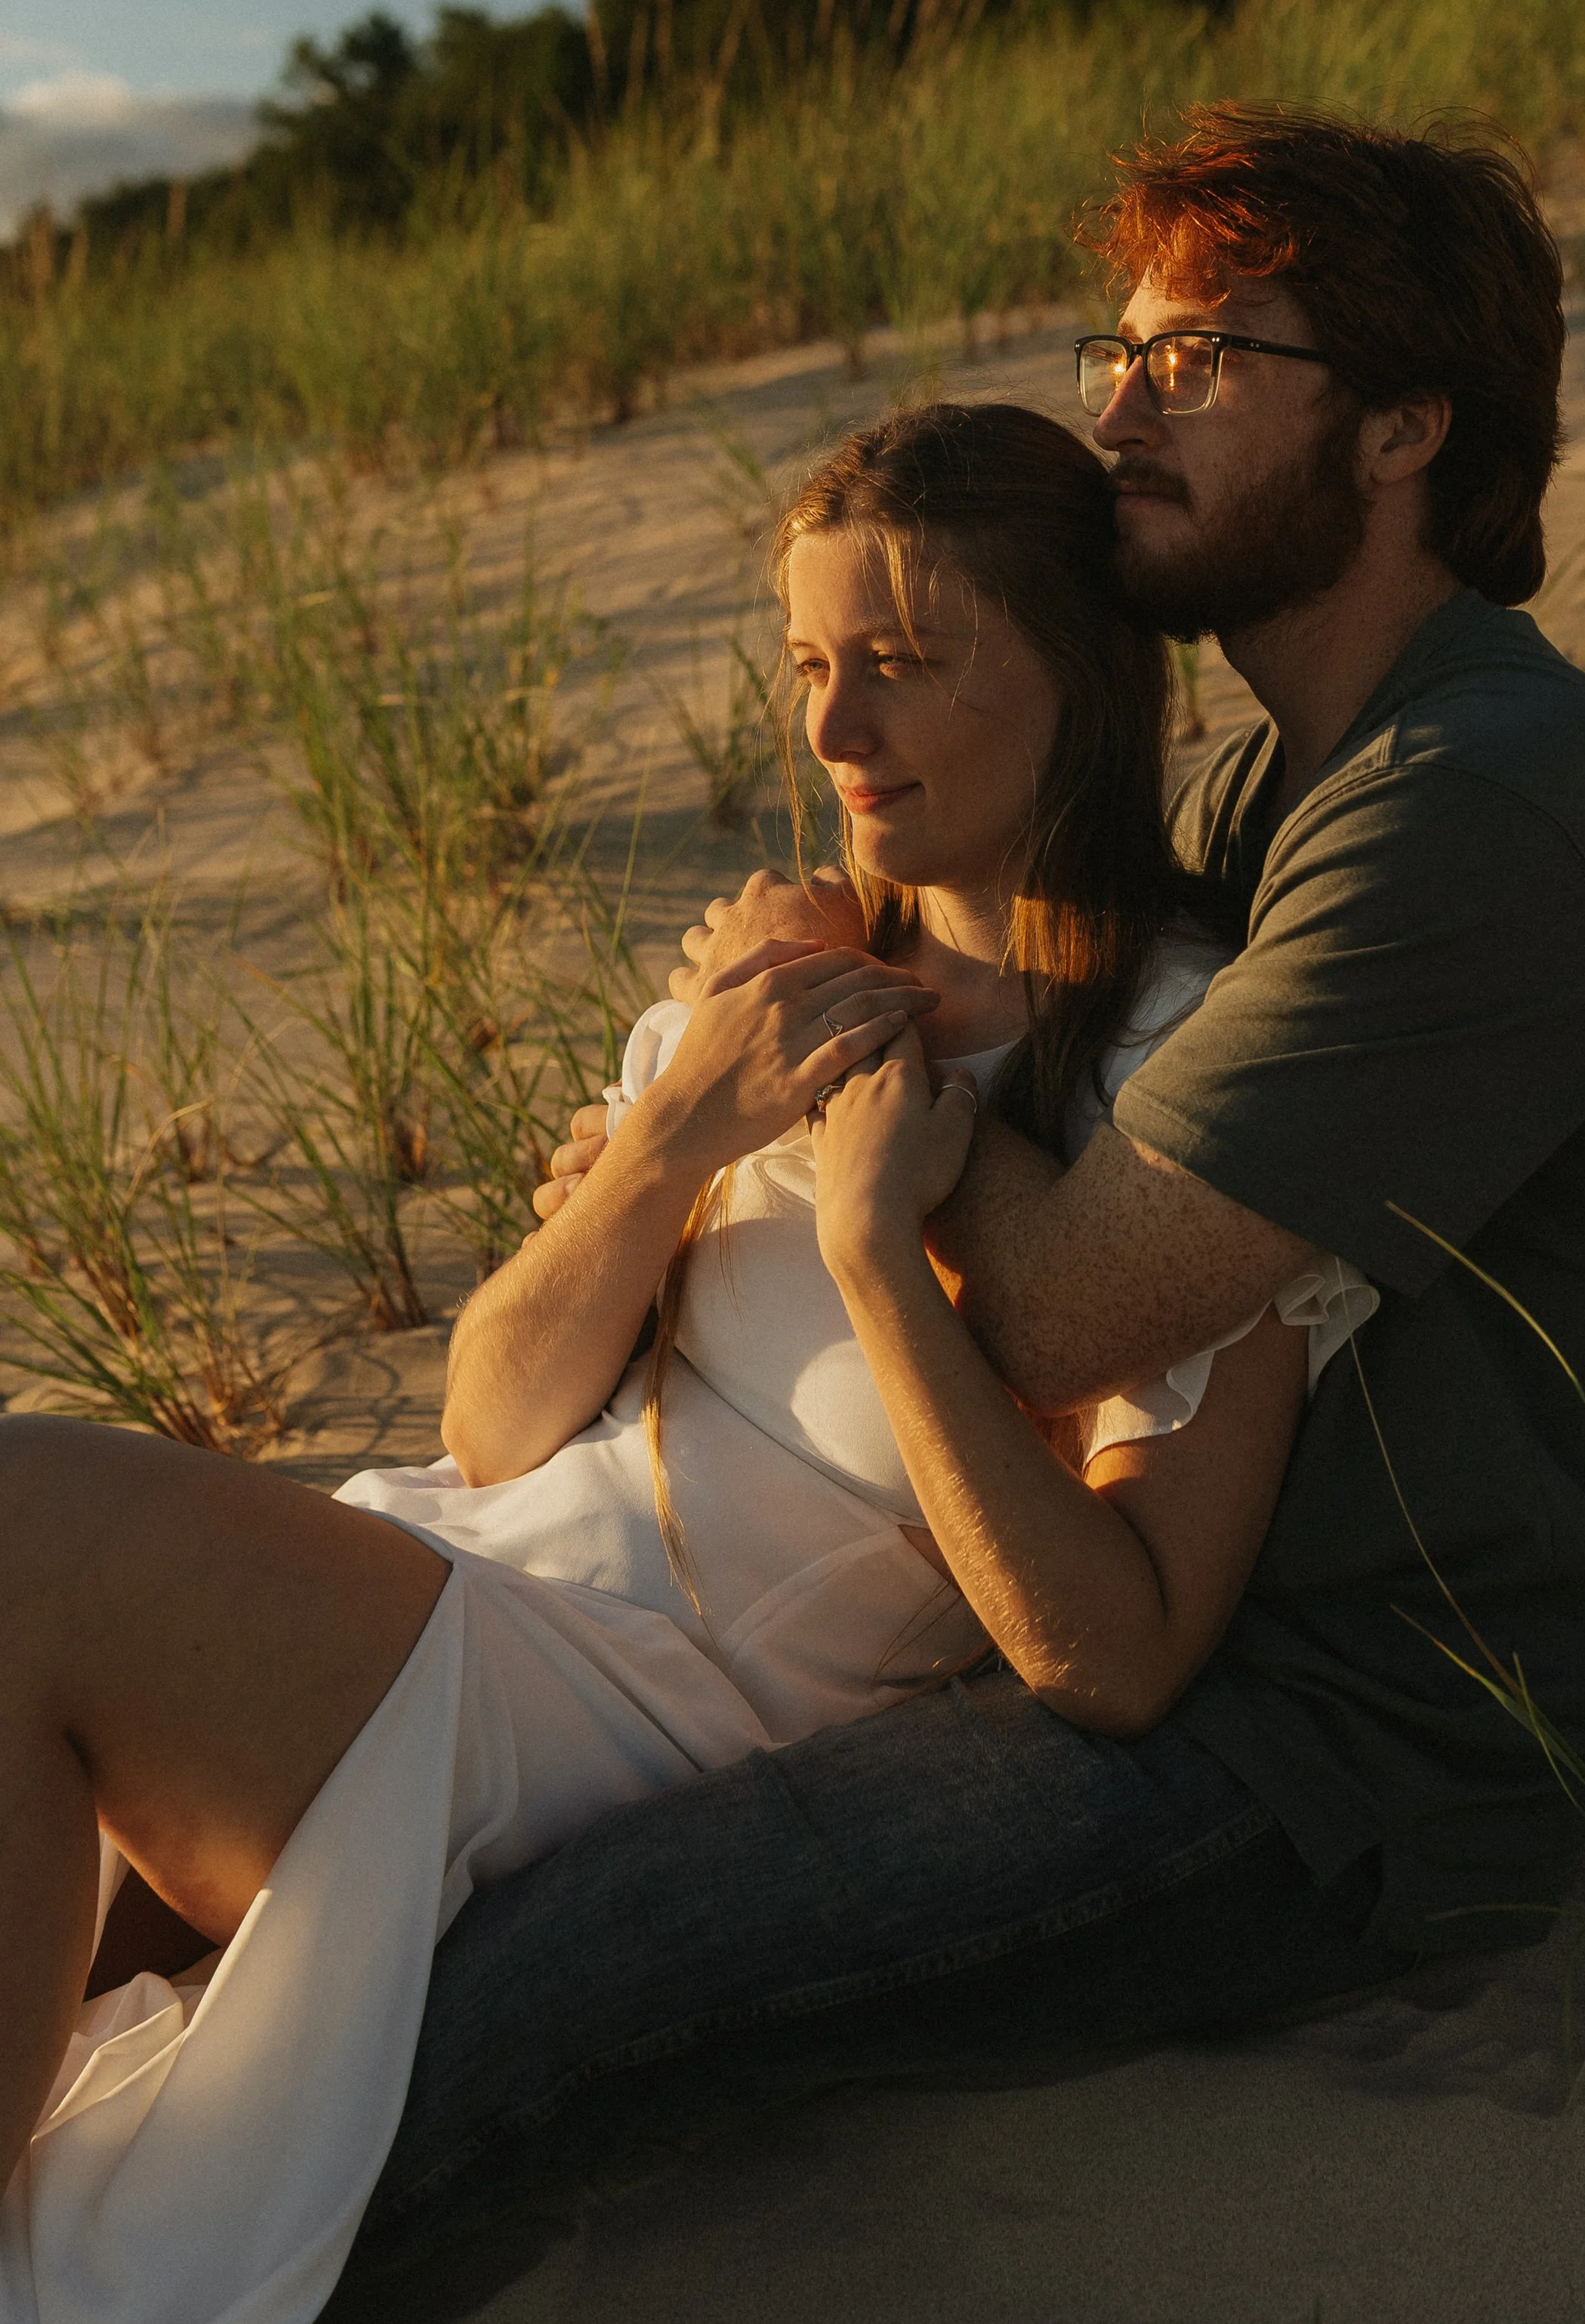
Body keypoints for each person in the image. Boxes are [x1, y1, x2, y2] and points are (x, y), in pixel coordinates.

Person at [328, 103, 1585, 2295]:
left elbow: (1076, 1296)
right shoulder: (1288, 773)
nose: (1117, 405)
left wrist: (813, 1034)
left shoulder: (1475, 807)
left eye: (1200, 358)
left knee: (545, 1992)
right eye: (1124, 345)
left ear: (1398, 426)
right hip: (1160, 1591)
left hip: (1356, 1739)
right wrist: (713, 1101)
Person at [1, 403, 1363, 2324]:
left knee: (26, 1522)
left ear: (1076, 672)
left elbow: (1120, 1655)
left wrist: (876, 1247)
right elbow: (490, 1420)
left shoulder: (1174, 1075)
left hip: (643, 1710)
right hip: (456, 1574)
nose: (827, 733)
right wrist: (674, 1135)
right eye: (809, 666)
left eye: (898, 665)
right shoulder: (783, 974)